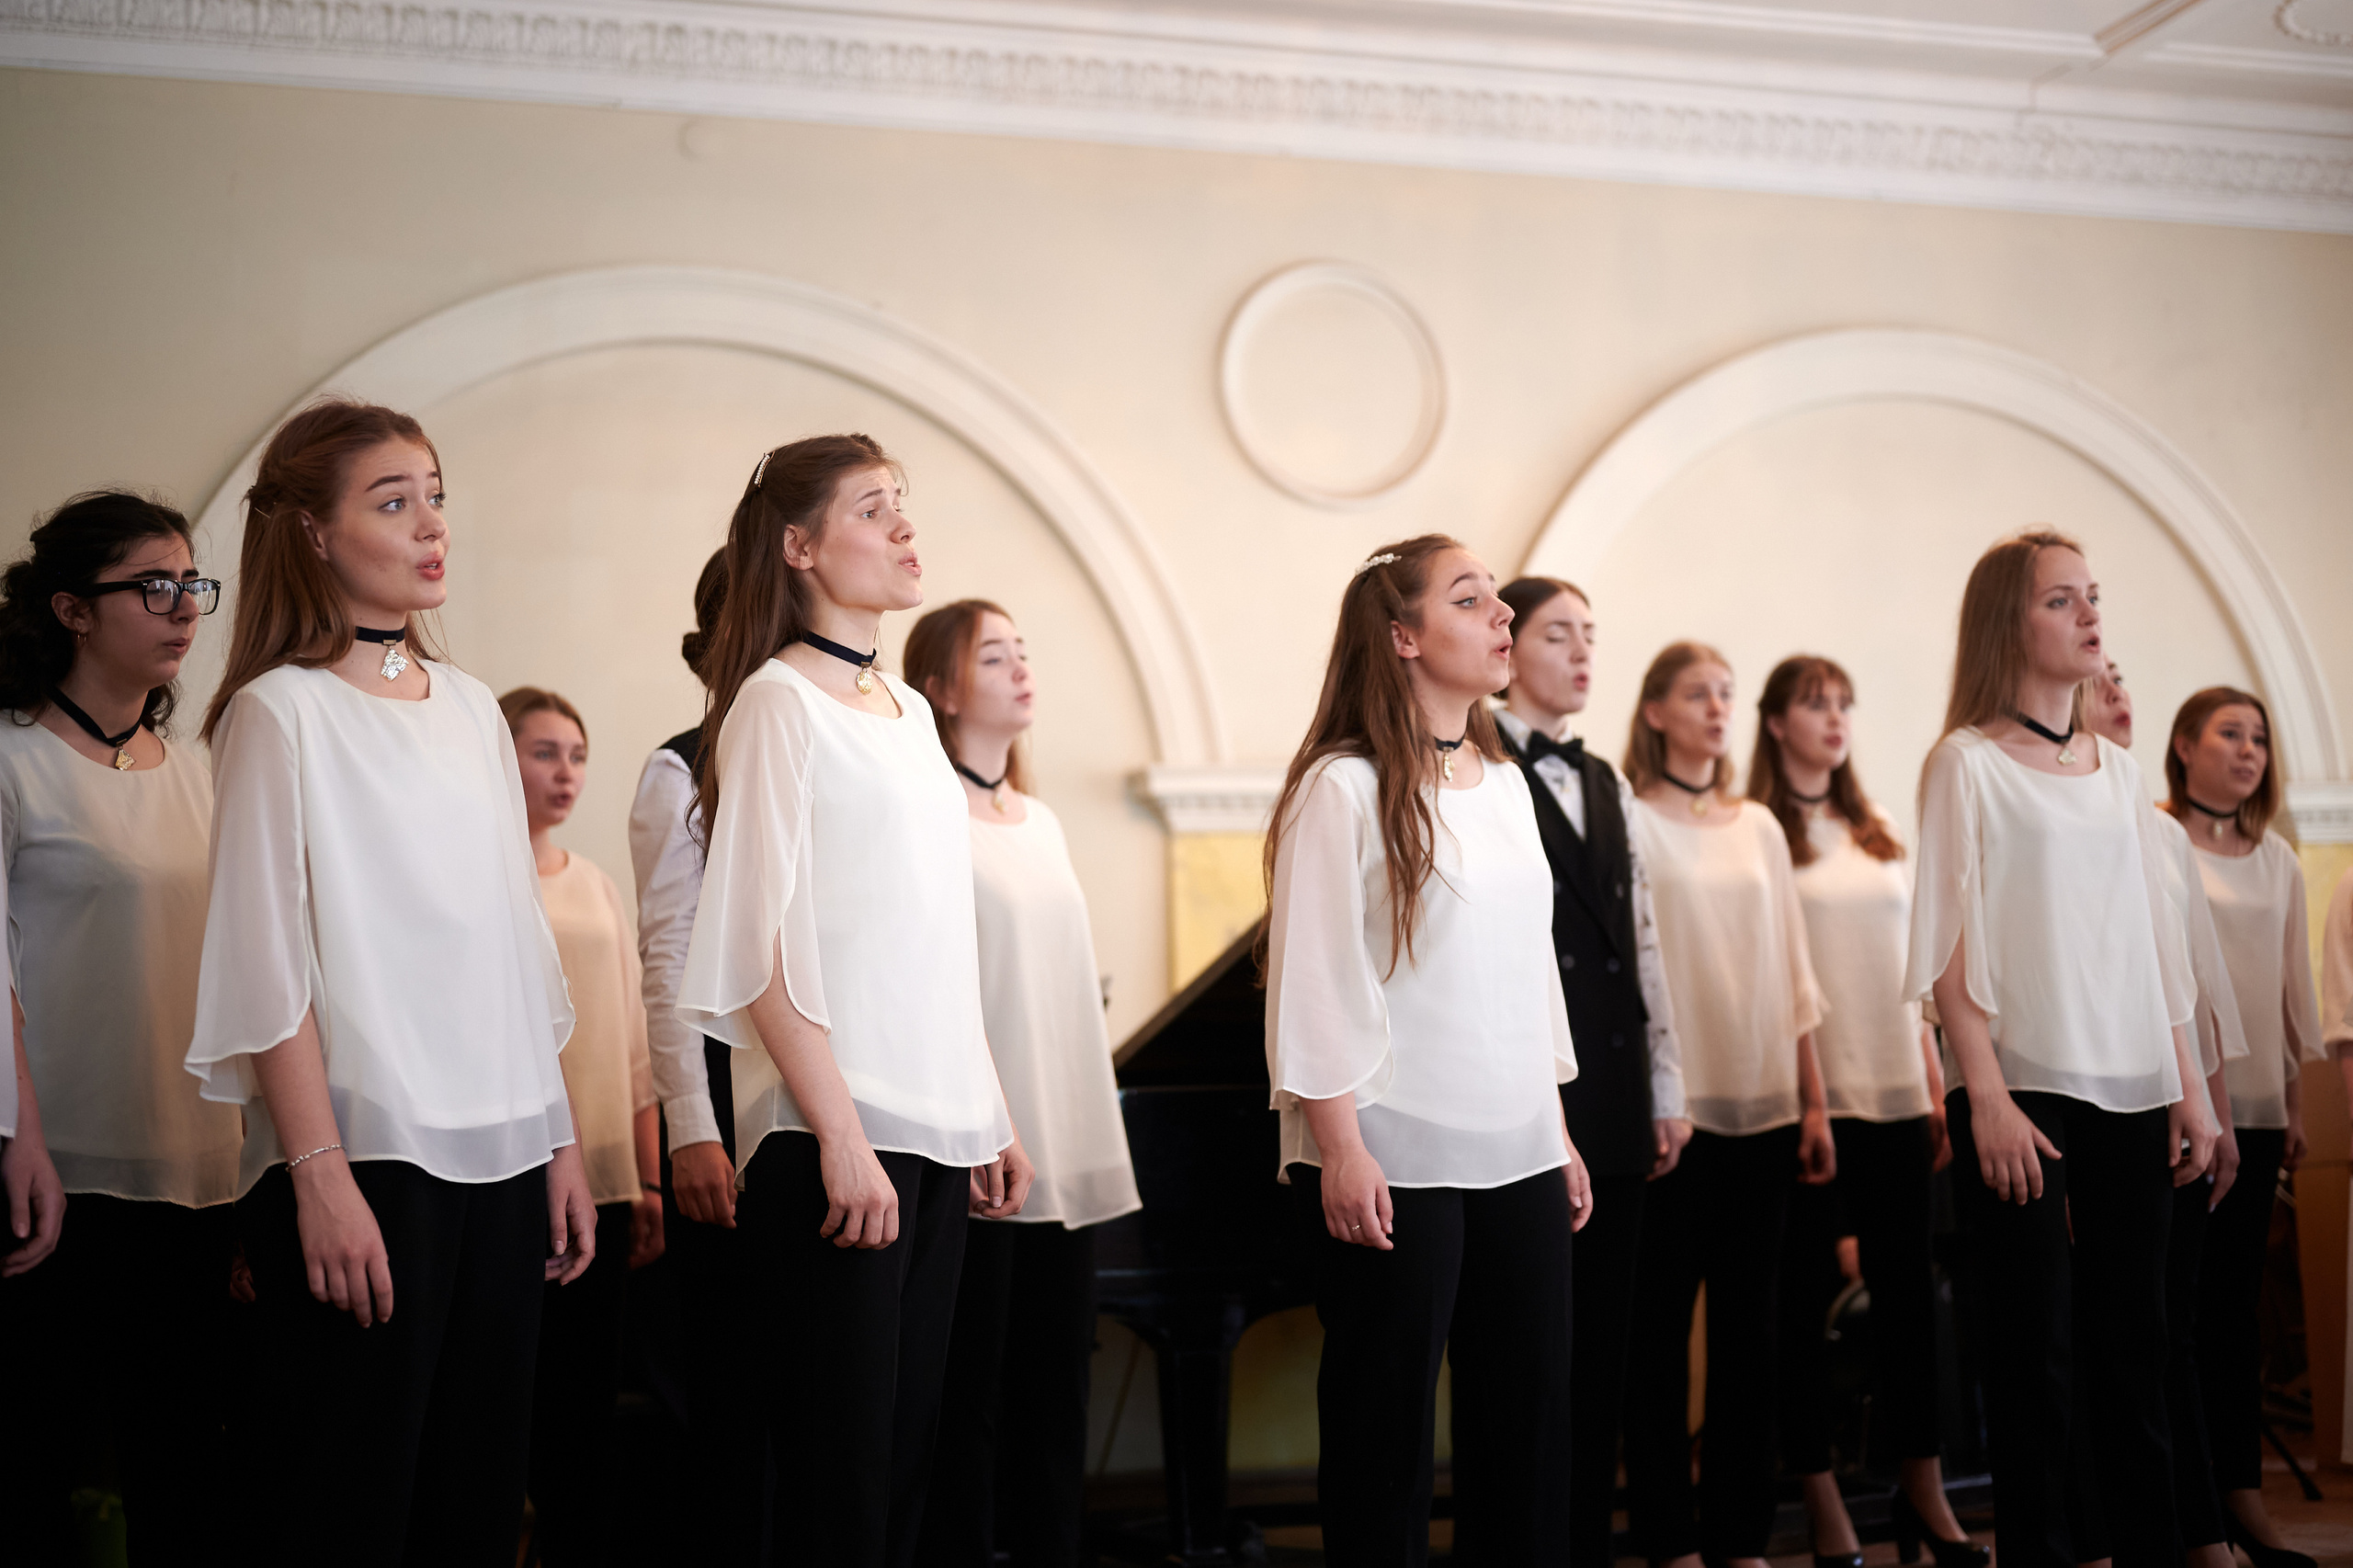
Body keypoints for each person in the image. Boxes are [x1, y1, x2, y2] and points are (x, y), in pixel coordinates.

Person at [184, 399, 596, 1565]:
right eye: (394, 499)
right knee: (356, 1496)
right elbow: (269, 964)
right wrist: (317, 1178)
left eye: (437, 496)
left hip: (507, 1157)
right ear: (314, 532)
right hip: (364, 1159)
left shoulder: (473, 708)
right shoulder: (277, 711)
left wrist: (557, 1138)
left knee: (478, 1495)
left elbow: (517, 947)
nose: (432, 526)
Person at [676, 434, 1034, 1567]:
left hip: (934, 1128)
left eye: (903, 508)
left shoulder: (909, 715)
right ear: (800, 547)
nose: (903, 530)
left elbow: (933, 935)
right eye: (874, 511)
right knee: (838, 1476)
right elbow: (758, 951)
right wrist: (837, 1131)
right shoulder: (777, 703)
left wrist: (990, 1109)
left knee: (908, 1461)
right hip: (839, 1136)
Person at [1264, 534, 1591, 1566]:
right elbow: (1311, 975)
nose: (1500, 617)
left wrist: (1561, 1131)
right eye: (1470, 599)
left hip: (1521, 1146)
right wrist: (1341, 1144)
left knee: (1526, 1426)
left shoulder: (1503, 785)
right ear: (1402, 637)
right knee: (1382, 1430)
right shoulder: (1342, 787)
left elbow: (1529, 969)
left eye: (1498, 599)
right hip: (1394, 1153)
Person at [1904, 528, 2214, 1568]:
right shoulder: (1964, 762)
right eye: (2060, 599)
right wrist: (1982, 1094)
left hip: (2131, 1082)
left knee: (2137, 1352)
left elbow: (2154, 942)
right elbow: (1949, 949)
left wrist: (2191, 1094)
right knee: (2033, 1361)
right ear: (2009, 620)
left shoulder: (2121, 773)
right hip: (2021, 1089)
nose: (2088, 615)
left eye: (2093, 596)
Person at [0, 490, 243, 1562]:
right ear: (72, 608)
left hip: (199, 1176)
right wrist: (21, 1136)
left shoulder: (198, 772)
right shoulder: (14, 759)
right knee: (38, 1467)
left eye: (192, 582)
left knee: (191, 1473)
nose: (184, 606)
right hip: (58, 1175)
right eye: (154, 584)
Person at [905, 599, 1142, 1568]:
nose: (1018, 668)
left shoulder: (1038, 818)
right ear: (942, 689)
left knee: (1058, 1389)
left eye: (1022, 651)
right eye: (992, 655)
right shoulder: (926, 812)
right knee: (973, 1394)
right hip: (980, 1136)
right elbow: (934, 979)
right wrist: (981, 1116)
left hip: (1065, 1124)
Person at [1748, 653, 1987, 1568]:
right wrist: (1811, 1096)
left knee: (1910, 1308)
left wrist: (1933, 1078)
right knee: (1803, 1307)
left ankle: (1922, 1492)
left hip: (1899, 1094)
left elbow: (1917, 967)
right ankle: (1818, 1492)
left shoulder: (1878, 826)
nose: (1835, 718)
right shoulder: (1759, 830)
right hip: (1810, 1103)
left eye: (1843, 703)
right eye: (1815, 704)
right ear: (1775, 723)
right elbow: (1779, 980)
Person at [1620, 641, 1832, 1568]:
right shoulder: (1626, 817)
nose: (1717, 707)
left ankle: (1741, 1540)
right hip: (1675, 1116)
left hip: (1766, 1108)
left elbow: (1794, 972)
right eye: (1696, 693)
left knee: (1751, 1339)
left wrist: (1815, 1102)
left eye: (1726, 694)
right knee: (1657, 1334)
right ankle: (1668, 1540)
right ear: (1655, 710)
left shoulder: (1758, 826)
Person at [1492, 575, 1686, 1568]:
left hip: (1613, 1090)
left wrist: (1666, 1083)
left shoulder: (1604, 777)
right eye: (1558, 634)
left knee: (1605, 1347)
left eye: (1590, 636)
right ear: (1506, 644)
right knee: (1535, 1356)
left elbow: (1643, 940)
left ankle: (1588, 1545)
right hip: (1527, 1092)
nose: (1581, 653)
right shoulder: (1474, 764)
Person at [2079, 663, 2249, 1568]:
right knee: (2109, 1331)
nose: (2115, 688)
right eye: (2094, 679)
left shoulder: (2159, 829)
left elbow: (2195, 984)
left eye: (2118, 677)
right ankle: (2115, 1532)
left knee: (2166, 1330)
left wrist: (2215, 1107)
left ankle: (2200, 1525)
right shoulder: (2060, 815)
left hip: (2180, 1099)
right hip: (2105, 1099)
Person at [627, 548, 772, 1566]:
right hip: (726, 1095)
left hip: (822, 1093)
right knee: (740, 1387)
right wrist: (692, 1129)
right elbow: (669, 958)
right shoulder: (683, 765)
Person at [2158, 686, 2325, 1568]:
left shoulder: (2281, 862)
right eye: (2230, 733)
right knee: (2178, 1318)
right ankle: (2196, 1517)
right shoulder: (2156, 843)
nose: (2249, 750)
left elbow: (2296, 1000)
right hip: (2184, 1116)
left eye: (2259, 737)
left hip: (2257, 1115)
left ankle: (2243, 1500)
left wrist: (2293, 1110)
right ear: (2184, 746)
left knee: (2236, 1318)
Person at [502, 686, 664, 1566]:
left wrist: (645, 1179)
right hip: (512, 1170)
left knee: (582, 1403)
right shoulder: (483, 876)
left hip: (601, 1177)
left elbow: (633, 1043)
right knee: (504, 1398)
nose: (565, 773)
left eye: (577, 754)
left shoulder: (597, 883)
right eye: (543, 752)